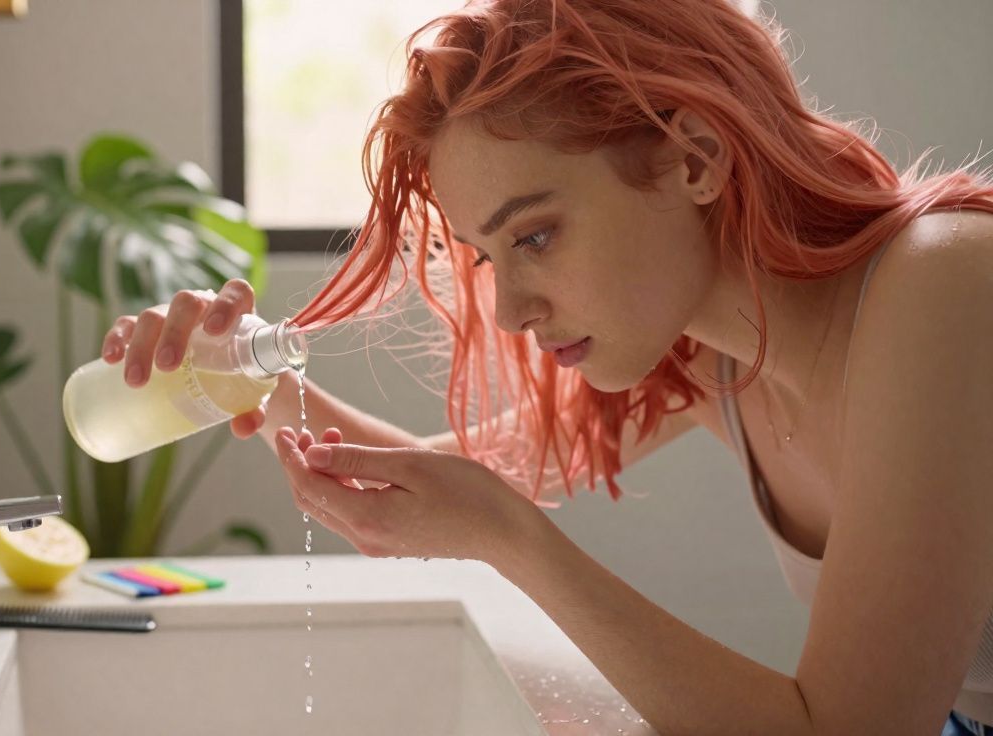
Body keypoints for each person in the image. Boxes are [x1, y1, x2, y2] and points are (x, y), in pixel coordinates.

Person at [101, 1, 993, 732]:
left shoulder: (947, 281)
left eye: (535, 235)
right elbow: (450, 481)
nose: (510, 311)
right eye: (488, 256)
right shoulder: (715, 363)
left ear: (695, 158)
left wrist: (517, 543)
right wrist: (251, 379)